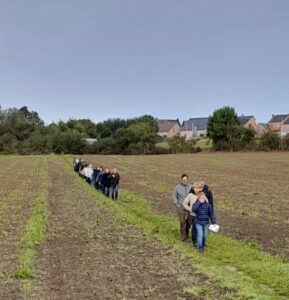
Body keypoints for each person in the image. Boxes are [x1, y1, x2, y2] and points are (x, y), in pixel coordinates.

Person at [172, 174, 193, 242]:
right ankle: (183, 236)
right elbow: (174, 195)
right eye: (183, 180)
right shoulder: (177, 187)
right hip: (181, 206)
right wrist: (177, 204)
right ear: (181, 180)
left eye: (186, 180)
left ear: (188, 180)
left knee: (189, 222)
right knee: (182, 221)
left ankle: (186, 233)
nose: (185, 181)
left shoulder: (191, 187)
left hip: (189, 207)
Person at [183, 181, 203, 247]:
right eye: (196, 188)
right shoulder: (190, 195)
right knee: (187, 226)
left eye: (200, 188)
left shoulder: (203, 196)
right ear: (194, 188)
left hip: (198, 216)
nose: (198, 189)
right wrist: (190, 209)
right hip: (191, 215)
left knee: (196, 229)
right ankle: (186, 236)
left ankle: (195, 242)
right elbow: (184, 203)